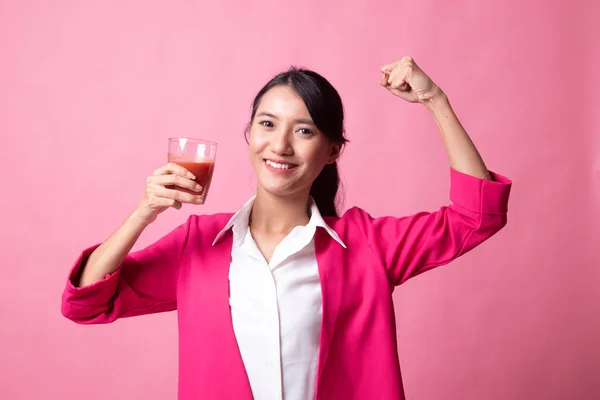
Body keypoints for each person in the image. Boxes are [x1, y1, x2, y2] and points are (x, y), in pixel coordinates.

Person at [61, 56, 512, 400]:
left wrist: (435, 100)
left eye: (304, 131)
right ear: (249, 135)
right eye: (267, 124)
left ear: (333, 150)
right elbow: (86, 299)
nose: (279, 144)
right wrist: (144, 212)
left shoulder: (365, 245)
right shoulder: (198, 245)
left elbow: (478, 216)